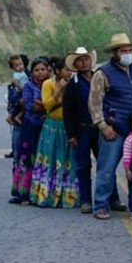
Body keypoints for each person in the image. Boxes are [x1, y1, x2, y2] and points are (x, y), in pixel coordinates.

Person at [89, 33, 132, 220]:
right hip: (113, 129)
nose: (128, 54)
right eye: (124, 51)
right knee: (107, 168)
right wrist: (102, 125)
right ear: (115, 53)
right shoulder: (103, 73)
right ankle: (100, 205)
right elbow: (95, 102)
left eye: (130, 50)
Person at [30, 58, 79, 208]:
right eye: (66, 69)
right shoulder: (48, 84)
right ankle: (47, 195)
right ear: (57, 71)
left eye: (70, 69)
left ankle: (67, 197)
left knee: (67, 159)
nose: (69, 72)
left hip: (67, 127)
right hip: (51, 126)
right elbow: (47, 105)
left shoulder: (74, 85)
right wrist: (58, 90)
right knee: (50, 158)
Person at [63, 46, 98, 214]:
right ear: (75, 65)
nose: (83, 63)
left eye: (86, 59)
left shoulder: (100, 79)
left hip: (100, 128)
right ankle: (86, 200)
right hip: (82, 129)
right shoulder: (72, 85)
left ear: (91, 61)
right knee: (83, 165)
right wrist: (71, 134)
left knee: (106, 164)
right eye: (79, 60)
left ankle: (112, 198)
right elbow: (67, 111)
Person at [11, 57, 50, 203]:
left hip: (47, 128)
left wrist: (42, 105)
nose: (40, 73)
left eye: (43, 69)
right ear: (32, 72)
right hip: (30, 126)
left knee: (44, 159)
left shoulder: (52, 84)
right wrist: (46, 106)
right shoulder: (28, 86)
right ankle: (23, 192)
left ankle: (41, 193)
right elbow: (29, 105)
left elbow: (56, 104)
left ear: (48, 70)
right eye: (36, 70)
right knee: (27, 158)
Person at [5, 54, 28, 159]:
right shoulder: (17, 75)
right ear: (12, 68)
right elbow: (18, 86)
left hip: (24, 93)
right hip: (22, 94)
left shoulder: (23, 73)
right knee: (23, 107)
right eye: (17, 65)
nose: (20, 67)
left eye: (21, 64)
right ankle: (16, 116)